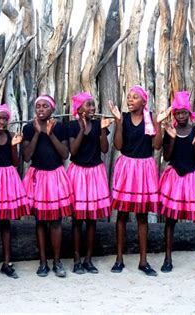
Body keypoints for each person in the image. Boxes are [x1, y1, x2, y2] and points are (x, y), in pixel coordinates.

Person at [109, 85, 169, 276]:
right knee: (122, 215)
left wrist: (158, 124)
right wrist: (118, 122)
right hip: (127, 167)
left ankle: (143, 261)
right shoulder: (124, 118)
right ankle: (119, 259)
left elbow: (157, 146)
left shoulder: (150, 119)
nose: (130, 100)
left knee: (142, 216)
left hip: (144, 169)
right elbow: (118, 145)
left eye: (135, 97)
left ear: (144, 101)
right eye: (128, 97)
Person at [159, 91, 195, 275]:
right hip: (175, 177)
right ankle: (167, 259)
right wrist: (173, 139)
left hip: (192, 178)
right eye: (177, 113)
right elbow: (167, 157)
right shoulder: (170, 132)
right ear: (173, 114)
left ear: (189, 113)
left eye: (184, 112)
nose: (181, 116)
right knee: (170, 220)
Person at [22, 95, 74, 278]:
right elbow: (27, 157)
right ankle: (43, 262)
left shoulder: (60, 127)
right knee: (40, 221)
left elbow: (65, 154)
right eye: (38, 106)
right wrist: (37, 133)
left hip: (55, 176)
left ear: (52, 109)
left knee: (56, 221)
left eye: (45, 106)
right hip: (38, 177)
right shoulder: (28, 128)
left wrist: (50, 134)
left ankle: (57, 262)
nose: (41, 109)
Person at [0, 103, 30, 279]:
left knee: (5, 222)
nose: (2, 122)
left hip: (8, 179)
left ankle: (7, 262)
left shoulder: (10, 136)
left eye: (5, 119)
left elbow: (16, 163)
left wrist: (12, 146)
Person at [67, 92, 113, 274]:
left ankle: (88, 259)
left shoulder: (97, 125)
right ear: (78, 109)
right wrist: (82, 129)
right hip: (77, 173)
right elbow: (73, 151)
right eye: (88, 105)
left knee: (92, 219)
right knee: (77, 220)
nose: (92, 109)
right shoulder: (71, 126)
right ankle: (77, 259)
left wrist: (102, 129)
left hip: (95, 173)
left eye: (93, 105)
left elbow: (104, 149)